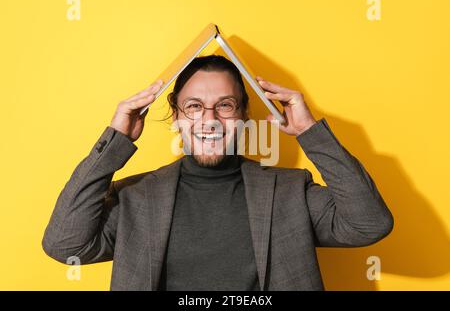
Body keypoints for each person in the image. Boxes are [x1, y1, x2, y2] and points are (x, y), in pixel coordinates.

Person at [42, 55, 394, 291]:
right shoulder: (136, 198)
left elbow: (368, 224)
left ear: (242, 114)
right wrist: (115, 142)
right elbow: (65, 245)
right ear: (176, 117)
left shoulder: (289, 191)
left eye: (224, 105)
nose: (209, 120)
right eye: (194, 106)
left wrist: (310, 131)